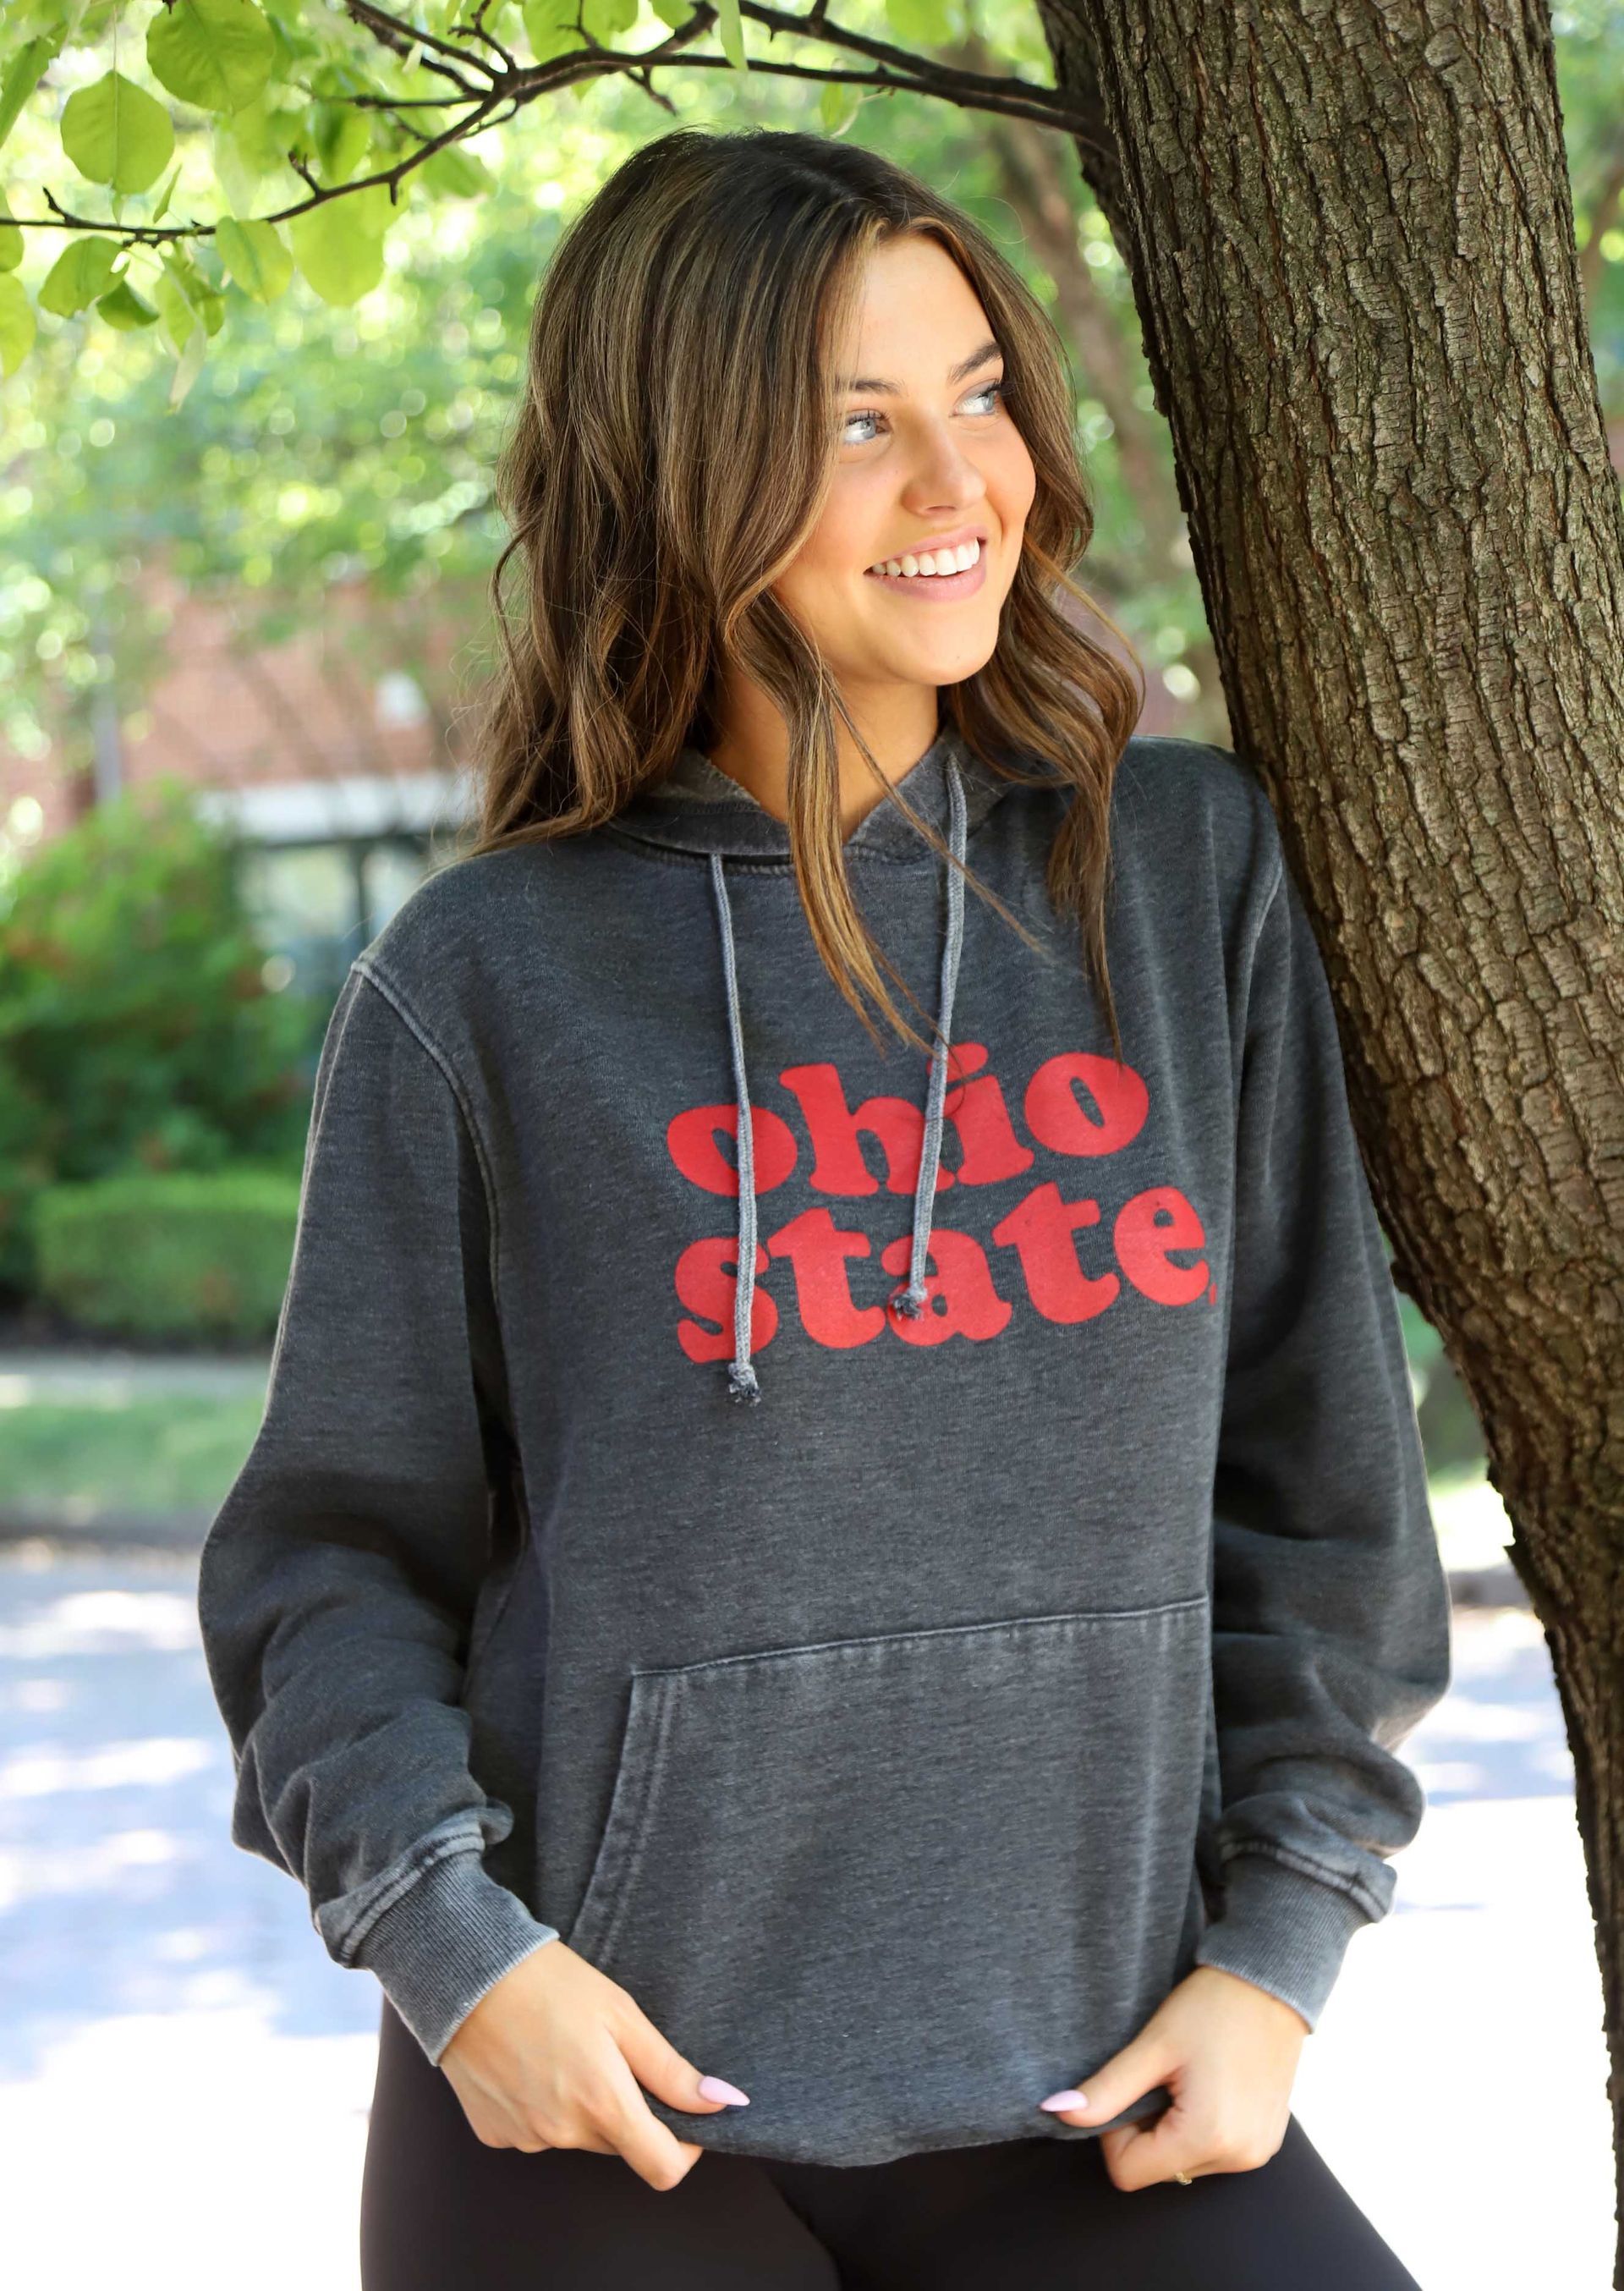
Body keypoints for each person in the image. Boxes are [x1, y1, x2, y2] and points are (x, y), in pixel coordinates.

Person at [196, 124, 1451, 2288]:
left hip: (1102, 2081)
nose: (962, 486)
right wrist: (453, 1954)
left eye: (977, 394)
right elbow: (331, 1560)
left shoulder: (1180, 879)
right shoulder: (487, 982)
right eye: (854, 424)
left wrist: (1285, 1941)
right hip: (608, 2113)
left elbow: (1322, 1475)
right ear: (677, 472)